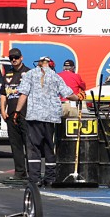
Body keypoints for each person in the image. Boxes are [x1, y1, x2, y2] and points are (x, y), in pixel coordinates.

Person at [15, 56, 86, 187]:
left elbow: (23, 94)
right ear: (51, 65)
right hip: (51, 117)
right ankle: (50, 178)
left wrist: (17, 112)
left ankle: (35, 178)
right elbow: (67, 94)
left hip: (34, 117)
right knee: (49, 147)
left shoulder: (30, 74)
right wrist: (78, 98)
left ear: (39, 64)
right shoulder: (55, 76)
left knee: (34, 148)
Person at [0, 48, 30, 180]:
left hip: (26, 114)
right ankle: (19, 172)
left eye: (16, 57)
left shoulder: (28, 73)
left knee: (29, 144)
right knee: (15, 144)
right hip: (11, 114)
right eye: (11, 58)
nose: (13, 60)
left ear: (21, 58)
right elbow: (3, 93)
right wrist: (2, 110)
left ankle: (32, 172)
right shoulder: (7, 74)